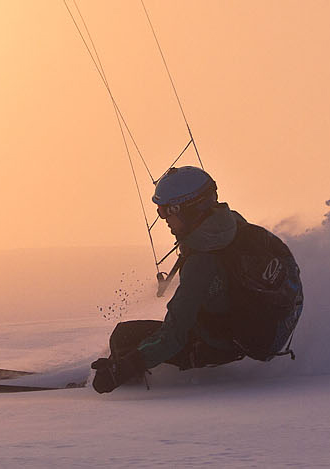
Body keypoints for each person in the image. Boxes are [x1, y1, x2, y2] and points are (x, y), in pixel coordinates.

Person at [91, 165, 303, 394]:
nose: (163, 219)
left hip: (222, 347)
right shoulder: (231, 223)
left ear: (189, 211)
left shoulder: (201, 263)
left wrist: (122, 369)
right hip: (253, 330)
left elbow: (173, 337)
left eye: (167, 211)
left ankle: (131, 389)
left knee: (125, 336)